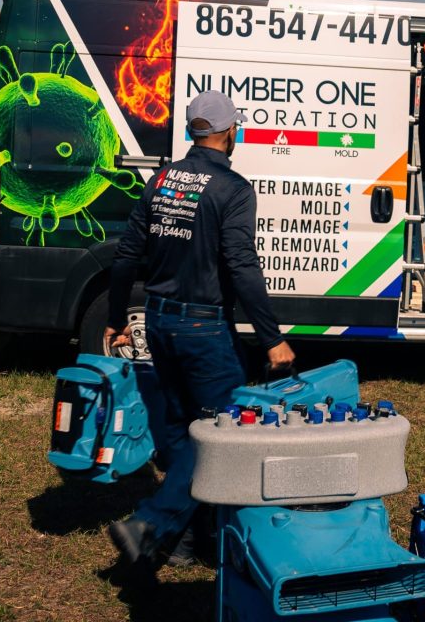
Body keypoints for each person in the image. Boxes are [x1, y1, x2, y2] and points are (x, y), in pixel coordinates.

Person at [104, 91, 295, 570]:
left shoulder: (162, 180)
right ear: (230, 132)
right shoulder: (233, 188)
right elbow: (241, 265)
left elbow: (127, 255)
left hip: (159, 321)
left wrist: (114, 318)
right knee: (216, 438)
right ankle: (148, 525)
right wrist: (271, 337)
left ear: (193, 130)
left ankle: (190, 543)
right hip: (202, 329)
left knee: (179, 432)